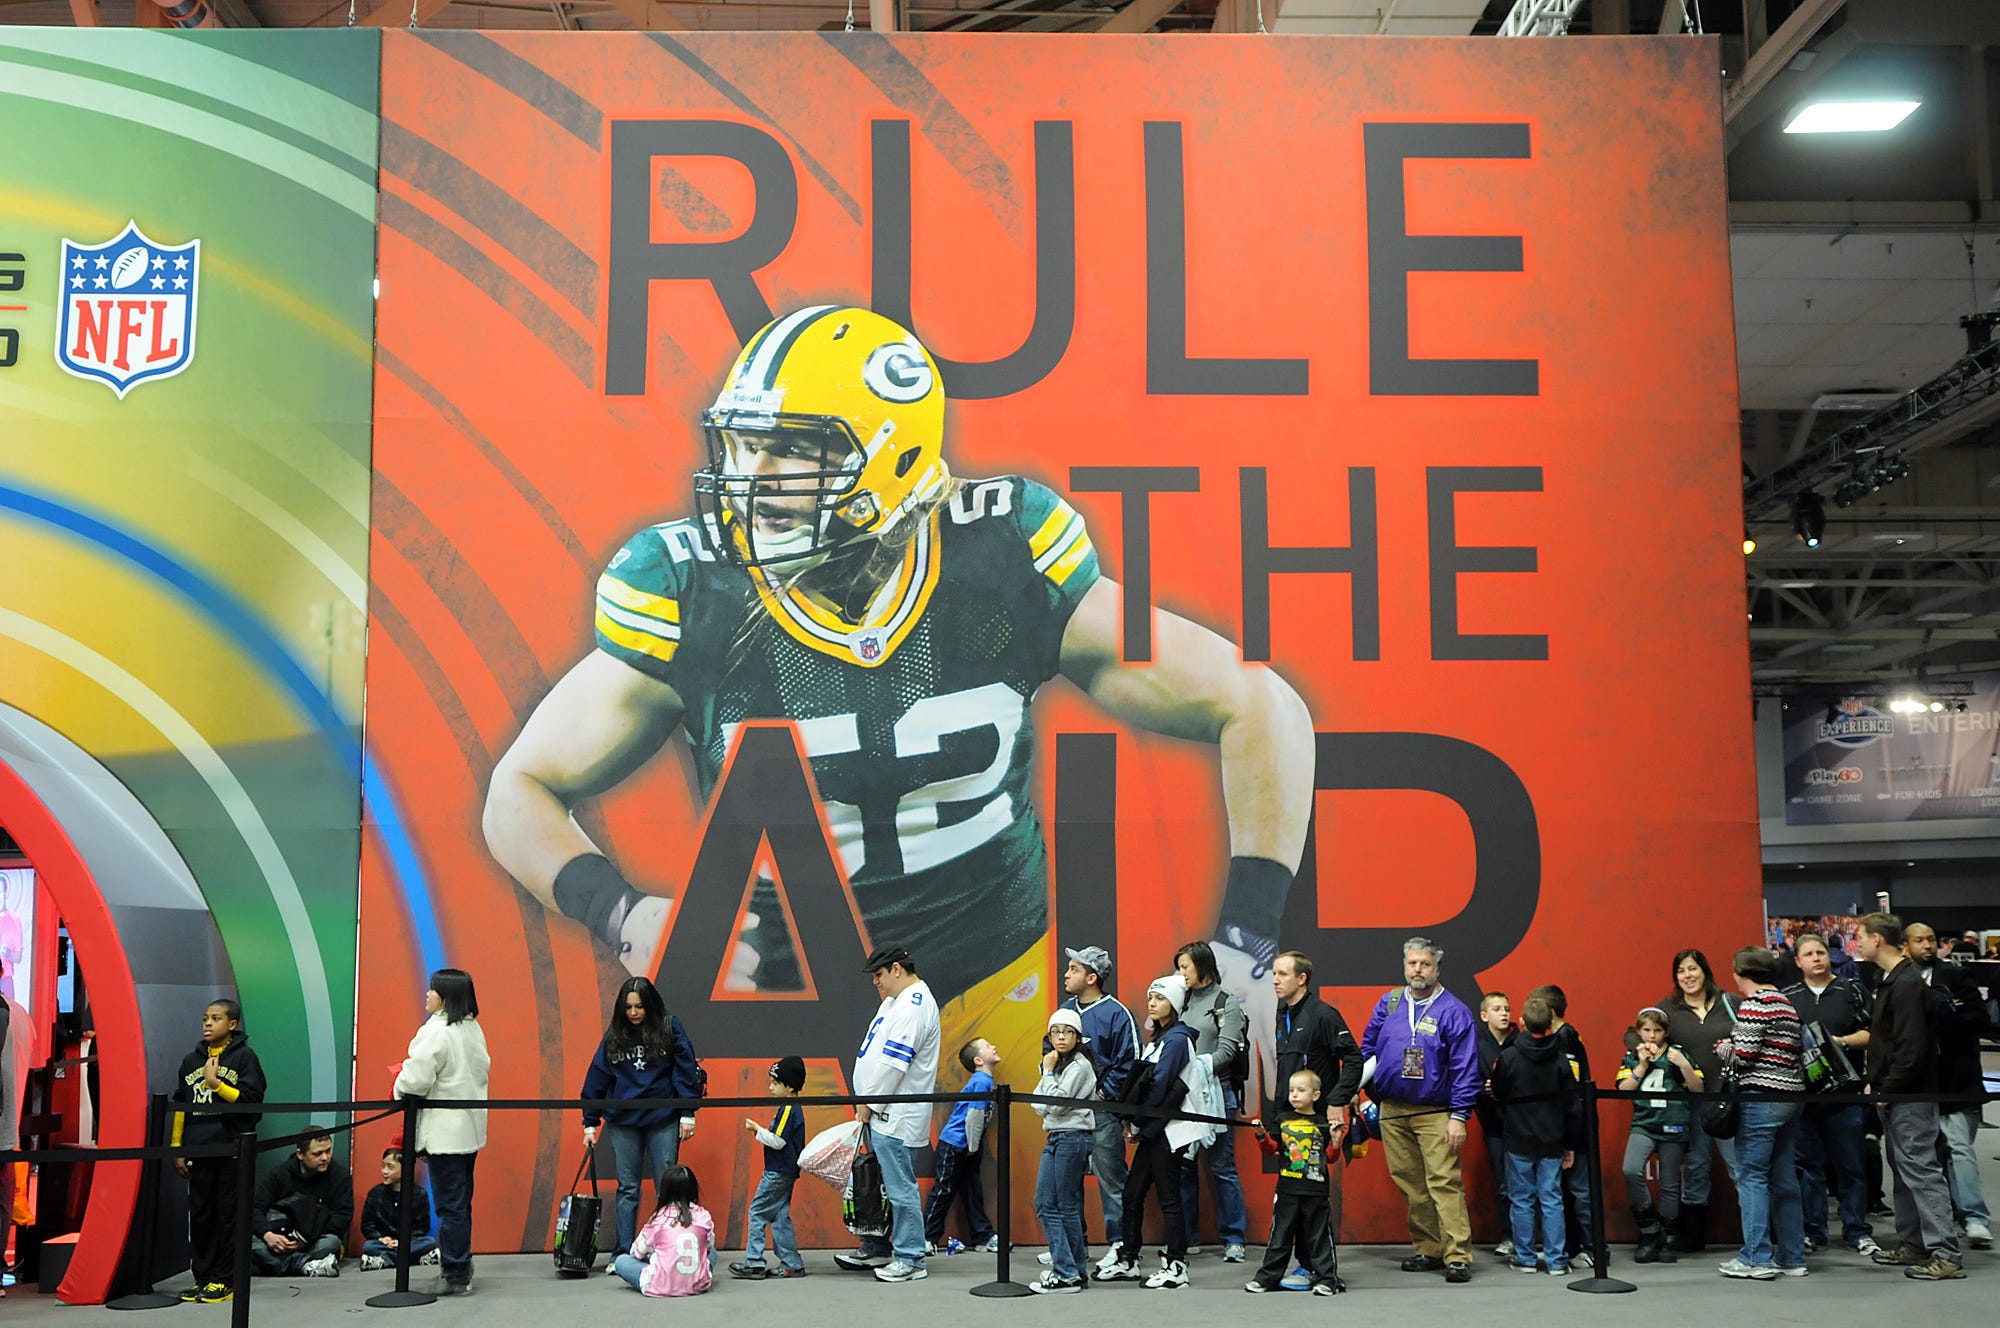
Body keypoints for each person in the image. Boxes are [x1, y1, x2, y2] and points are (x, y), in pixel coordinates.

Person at [481, 306, 1314, 1090]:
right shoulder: (694, 597)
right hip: (806, 1011)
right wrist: (624, 914)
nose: (750, 475)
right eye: (740, 444)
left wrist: (1242, 949)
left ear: (896, 461)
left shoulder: (996, 561)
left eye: (788, 449)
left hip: (1004, 984)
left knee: (1021, 1210)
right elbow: (516, 795)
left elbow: (1260, 706)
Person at [1359, 936, 1482, 1284]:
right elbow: (1368, 1048)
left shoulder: (1454, 1011)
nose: (1418, 970)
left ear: (1437, 969)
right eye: (1412, 963)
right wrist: (1359, 1092)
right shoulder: (1390, 1002)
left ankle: (1457, 1255)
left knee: (1443, 1181)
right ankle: (1428, 1249)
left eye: (1425, 964)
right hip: (1393, 1109)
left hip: (1435, 1112)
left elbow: (1465, 1067)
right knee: (1410, 1182)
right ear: (1405, 966)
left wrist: (1459, 1116)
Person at [1857, 914, 1962, 1280]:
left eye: (1860, 937)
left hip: (1910, 1096)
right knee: (1904, 1171)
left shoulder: (1904, 983)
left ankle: (1945, 1252)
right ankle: (1914, 1243)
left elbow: (1911, 1047)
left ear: (1878, 940)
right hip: (1899, 1093)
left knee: (1921, 1171)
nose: (1857, 943)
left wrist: (1889, 1087)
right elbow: (1890, 1043)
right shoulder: (1893, 980)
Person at [838, 944, 940, 1283]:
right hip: (883, 1112)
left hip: (895, 1113)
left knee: (900, 1189)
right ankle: (878, 1246)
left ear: (897, 968)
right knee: (876, 1186)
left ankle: (911, 1258)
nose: (875, 982)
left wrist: (869, 1103)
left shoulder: (914, 1004)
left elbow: (896, 1063)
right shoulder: (895, 1002)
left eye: (879, 974)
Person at [579, 976, 703, 1256]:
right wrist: (590, 1121)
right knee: (627, 1188)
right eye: (628, 1007)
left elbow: (685, 1069)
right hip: (624, 1122)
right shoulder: (615, 1036)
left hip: (664, 1118)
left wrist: (687, 1113)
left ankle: (666, 1249)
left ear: (651, 1006)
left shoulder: (670, 1029)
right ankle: (623, 1251)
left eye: (639, 1007)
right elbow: (597, 1078)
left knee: (667, 1187)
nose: (633, 1013)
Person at [393, 968, 490, 1298]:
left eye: (432, 990)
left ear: (445, 996)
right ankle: (461, 1265)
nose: (427, 994)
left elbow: (415, 1079)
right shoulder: (472, 1028)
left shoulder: (437, 1031)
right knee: (461, 1203)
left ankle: (455, 1271)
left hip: (445, 1134)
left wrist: (399, 1086)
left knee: (450, 1206)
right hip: (469, 1130)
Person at [1097, 974, 1197, 1290]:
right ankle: (1128, 1259)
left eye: (1161, 998)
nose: (1152, 1003)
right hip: (1155, 1129)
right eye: (1151, 997)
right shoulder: (1159, 1039)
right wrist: (1136, 1121)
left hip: (1170, 1130)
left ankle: (1177, 1266)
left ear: (1176, 1004)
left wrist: (1138, 1122)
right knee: (1132, 1193)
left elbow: (1161, 1085)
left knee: (1168, 1198)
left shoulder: (1178, 1040)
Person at [1782, 931, 1878, 1256]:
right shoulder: (1788, 997)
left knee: (1851, 1165)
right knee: (1808, 1167)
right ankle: (1813, 1230)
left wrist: (1841, 1043)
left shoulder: (1852, 990)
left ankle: (1857, 1230)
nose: (1817, 958)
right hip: (1804, 1097)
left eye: (1820, 952)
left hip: (1846, 1094)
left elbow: (1875, 1033)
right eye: (1808, 954)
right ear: (1798, 962)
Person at [1269, 950, 1362, 1283]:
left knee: (1310, 1198)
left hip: (1316, 1122)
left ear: (1302, 978)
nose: (1275, 980)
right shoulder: (1284, 1014)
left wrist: (1337, 1100)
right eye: (1274, 973)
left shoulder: (1323, 1014)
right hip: (1288, 1119)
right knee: (1291, 1195)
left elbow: (1354, 1058)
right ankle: (1302, 1264)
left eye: (1282, 974)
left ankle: (1313, 1268)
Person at [1718, 946, 1807, 1280]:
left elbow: (1742, 1057)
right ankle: (1792, 1256)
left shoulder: (1755, 1004)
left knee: (1751, 1176)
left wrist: (1722, 1046)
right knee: (1784, 1178)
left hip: (1761, 1097)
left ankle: (1756, 1258)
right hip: (1791, 1097)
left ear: (1742, 973)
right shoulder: (1785, 1002)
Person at [1903, 922, 1992, 1250]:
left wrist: (1946, 1013)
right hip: (1918, 1083)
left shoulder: (1956, 975)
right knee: (1928, 1156)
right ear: (1905, 945)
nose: (1927, 945)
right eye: (1919, 940)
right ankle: (1942, 1218)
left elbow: (1979, 1020)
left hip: (1958, 1079)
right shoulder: (1898, 979)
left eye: (1931, 940)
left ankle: (1975, 1218)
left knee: (1959, 1149)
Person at [171, 997, 267, 1303]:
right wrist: (177, 1147)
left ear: (232, 1024)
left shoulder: (245, 1058)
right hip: (199, 1150)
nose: (208, 1024)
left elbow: (252, 1101)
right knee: (201, 1216)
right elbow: (181, 1105)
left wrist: (215, 1084)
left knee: (228, 1216)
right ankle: (204, 1277)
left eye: (215, 1018)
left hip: (231, 1148)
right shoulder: (190, 1061)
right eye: (205, 1018)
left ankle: (226, 1280)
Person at [1053, 944, 1138, 1275]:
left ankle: (1121, 1248)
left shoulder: (1116, 1013)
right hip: (1067, 1112)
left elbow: (1128, 1061)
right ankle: (1075, 1245)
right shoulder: (1065, 1009)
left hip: (1101, 1111)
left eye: (1073, 969)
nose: (1066, 974)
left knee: (1111, 1177)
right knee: (1067, 1178)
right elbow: (1050, 1049)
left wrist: (1102, 1095)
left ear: (1092, 977)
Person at [1491, 996, 1581, 1276]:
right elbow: (1572, 1105)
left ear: (1522, 1022)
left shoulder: (1509, 1056)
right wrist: (1570, 1143)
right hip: (1553, 1139)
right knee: (1552, 1198)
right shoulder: (1562, 1059)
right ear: (1551, 1022)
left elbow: (1499, 1091)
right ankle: (1556, 1260)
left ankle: (1526, 1258)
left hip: (1518, 1138)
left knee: (1521, 1199)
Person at [1174, 940, 1248, 1261]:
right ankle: (1188, 1238)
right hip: (1182, 1097)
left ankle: (1234, 1238)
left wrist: (1195, 1068)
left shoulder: (1226, 1002)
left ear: (1202, 966)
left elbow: (1227, 1052)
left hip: (1218, 1093)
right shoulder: (1181, 999)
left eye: (1185, 967)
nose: (1181, 974)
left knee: (1222, 1168)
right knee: (1183, 1169)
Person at [1661, 948, 1737, 1252]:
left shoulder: (1730, 1003)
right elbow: (1634, 1033)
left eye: (1692, 969)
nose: (1687, 976)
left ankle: (1759, 1236)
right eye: (1681, 971)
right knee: (1696, 1165)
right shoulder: (1669, 1009)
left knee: (1740, 1166)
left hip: (1730, 1099)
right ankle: (1692, 1236)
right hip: (1693, 1102)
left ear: (1704, 971)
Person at [1614, 1007, 1702, 1264]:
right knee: (1631, 1170)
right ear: (1639, 1032)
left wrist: (1684, 1065)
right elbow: (1623, 1088)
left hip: (1674, 1123)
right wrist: (1642, 1065)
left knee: (1670, 1183)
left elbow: (1698, 1088)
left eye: (1657, 1030)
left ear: (1666, 1032)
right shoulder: (1633, 1056)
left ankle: (1669, 1237)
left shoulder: (1678, 1054)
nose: (1652, 1036)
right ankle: (1649, 1230)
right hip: (1645, 1123)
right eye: (1647, 1030)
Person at [1245, 1068, 1342, 1296]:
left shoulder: (1323, 1123)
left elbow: (1329, 1157)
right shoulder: (1282, 1120)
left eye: (1301, 1090)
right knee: (1279, 1236)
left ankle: (1327, 1279)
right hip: (1288, 1189)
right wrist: (1261, 1134)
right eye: (1291, 1090)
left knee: (1319, 1237)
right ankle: (1267, 1278)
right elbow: (1271, 1149)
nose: (1294, 1095)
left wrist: (1336, 1141)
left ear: (1315, 1095)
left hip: (1316, 1190)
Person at [1031, 1008, 1098, 1293]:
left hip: (1072, 1137)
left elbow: (1054, 1104)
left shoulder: (1079, 1066)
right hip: (1057, 1136)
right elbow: (1037, 1103)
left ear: (1078, 1036)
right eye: (1055, 1032)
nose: (1061, 1037)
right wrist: (1050, 1077)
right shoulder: (1058, 1065)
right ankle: (1073, 1271)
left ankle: (1067, 1273)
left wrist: (1047, 1073)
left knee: (1064, 1206)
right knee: (1046, 1203)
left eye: (1067, 1032)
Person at [1527, 984, 1593, 1268]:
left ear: (1550, 1012)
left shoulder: (1564, 1039)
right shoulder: (1564, 1036)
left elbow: (1571, 1092)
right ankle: (1571, 1247)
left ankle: (1591, 1248)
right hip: (1566, 1128)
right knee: (1566, 1192)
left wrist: (1570, 1140)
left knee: (1580, 1192)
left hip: (1574, 1130)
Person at [732, 1055, 808, 1279]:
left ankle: (754, 1262)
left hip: (778, 1171)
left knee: (757, 1211)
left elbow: (778, 1141)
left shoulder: (788, 1109)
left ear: (790, 1086)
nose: (770, 1087)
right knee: (779, 1215)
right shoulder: (792, 1108)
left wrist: (757, 1130)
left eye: (775, 1083)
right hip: (786, 1171)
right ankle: (792, 1263)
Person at [925, 1038, 998, 1254]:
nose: (993, 1046)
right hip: (957, 1144)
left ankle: (983, 1236)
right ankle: (926, 1238)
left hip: (967, 1145)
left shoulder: (984, 1080)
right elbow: (974, 1117)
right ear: (978, 1060)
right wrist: (973, 1148)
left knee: (972, 1191)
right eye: (987, 1046)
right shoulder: (982, 1081)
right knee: (944, 1190)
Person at [249, 1132, 353, 1278]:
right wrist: (268, 1235)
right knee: (248, 1245)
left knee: (331, 1243)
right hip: (277, 1239)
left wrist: (306, 1237)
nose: (325, 1158)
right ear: (300, 1154)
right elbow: (255, 1209)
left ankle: (280, 1264)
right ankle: (306, 1266)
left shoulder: (340, 1176)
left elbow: (343, 1217)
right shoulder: (279, 1174)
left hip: (315, 1240)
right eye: (317, 1153)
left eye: (328, 1151)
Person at [614, 1163, 714, 1297]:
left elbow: (636, 1253)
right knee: (713, 1253)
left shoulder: (658, 1218)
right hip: (698, 1284)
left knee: (621, 1261)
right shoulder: (703, 1215)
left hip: (660, 1285)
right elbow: (709, 1246)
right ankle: (694, 1278)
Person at [1473, 992, 1513, 1258]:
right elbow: (1469, 1083)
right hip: (1494, 1127)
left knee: (1530, 1184)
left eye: (1507, 1008)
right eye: (1497, 1009)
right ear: (1485, 1016)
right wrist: (1484, 1089)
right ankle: (1508, 1236)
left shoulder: (1521, 1043)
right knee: (1503, 1184)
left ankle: (1532, 1237)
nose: (1505, 1013)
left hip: (1523, 1126)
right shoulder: (1476, 1047)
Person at [360, 1146, 438, 1270]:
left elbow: (422, 1227)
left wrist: (404, 1241)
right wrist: (381, 1238)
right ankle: (415, 1259)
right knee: (368, 1246)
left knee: (430, 1242)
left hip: (409, 1242)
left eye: (390, 1167)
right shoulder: (375, 1193)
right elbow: (367, 1225)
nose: (384, 1171)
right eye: (383, 1166)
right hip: (384, 1243)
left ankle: (385, 1260)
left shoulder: (419, 1194)